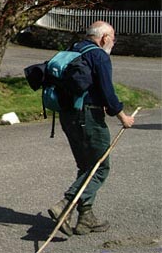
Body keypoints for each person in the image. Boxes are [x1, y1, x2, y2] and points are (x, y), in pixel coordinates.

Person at [48, 21, 135, 236]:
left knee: (86, 166)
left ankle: (86, 218)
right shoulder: (99, 56)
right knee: (100, 167)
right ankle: (65, 205)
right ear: (104, 37)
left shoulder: (73, 49)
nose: (113, 42)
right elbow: (108, 92)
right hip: (88, 117)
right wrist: (123, 116)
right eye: (113, 38)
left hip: (68, 115)